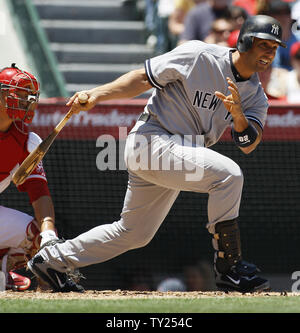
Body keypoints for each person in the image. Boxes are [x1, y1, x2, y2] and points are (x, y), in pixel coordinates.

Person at [27, 15, 286, 293]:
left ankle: (51, 260)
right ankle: (229, 268)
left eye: (274, 47)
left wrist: (238, 116)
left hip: (179, 152)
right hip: (152, 139)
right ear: (246, 41)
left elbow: (248, 142)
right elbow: (142, 78)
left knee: (134, 233)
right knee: (228, 176)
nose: (270, 53)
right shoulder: (200, 55)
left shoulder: (256, 96)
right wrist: (97, 94)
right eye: (264, 45)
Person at [0, 64, 82, 292]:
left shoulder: (27, 141)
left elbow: (39, 193)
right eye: (20, 94)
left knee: (39, 240)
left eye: (29, 96)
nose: (26, 101)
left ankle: (47, 294)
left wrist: (48, 234)